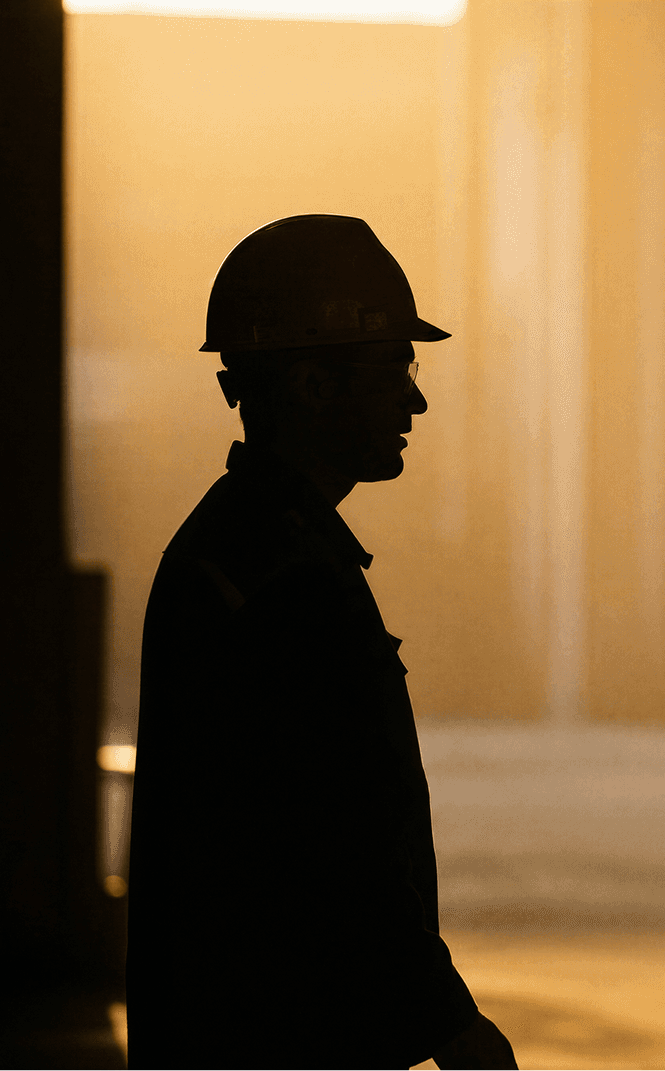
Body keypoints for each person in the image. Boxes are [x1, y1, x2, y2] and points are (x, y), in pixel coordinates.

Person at [129, 215, 517, 1070]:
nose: (414, 399)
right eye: (394, 369)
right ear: (310, 384)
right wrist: (450, 1023)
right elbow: (331, 849)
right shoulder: (280, 581)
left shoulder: (249, 551)